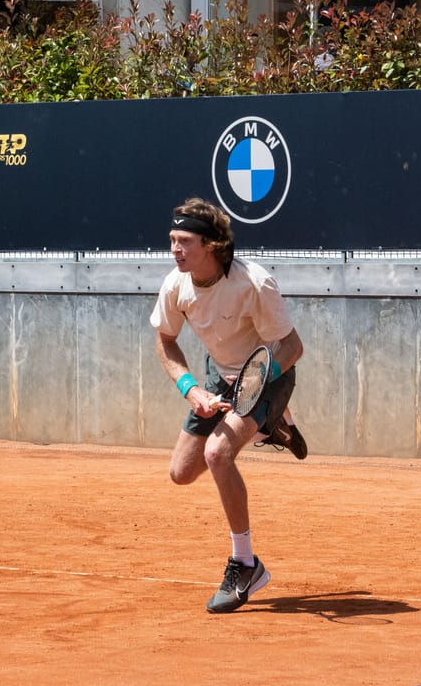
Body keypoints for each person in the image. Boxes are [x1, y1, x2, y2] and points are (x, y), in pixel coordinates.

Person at [150, 197, 307, 614]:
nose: (175, 249)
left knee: (217, 453)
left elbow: (293, 347)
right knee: (181, 473)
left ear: (212, 245)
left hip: (271, 373)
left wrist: (257, 382)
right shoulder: (175, 286)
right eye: (172, 240)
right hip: (220, 376)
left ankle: (245, 563)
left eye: (184, 241)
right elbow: (165, 341)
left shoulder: (254, 283)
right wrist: (190, 388)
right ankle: (272, 426)